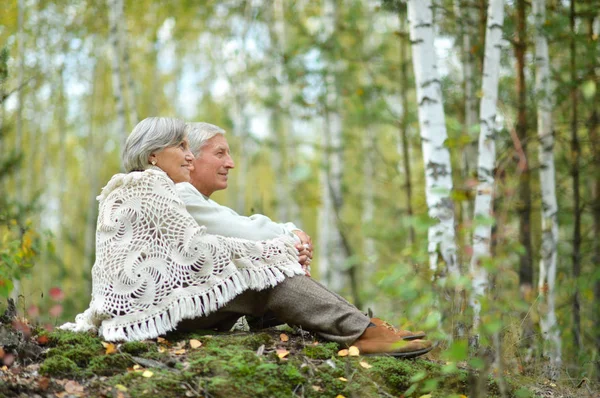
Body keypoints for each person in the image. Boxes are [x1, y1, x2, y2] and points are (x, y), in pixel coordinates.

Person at [175, 122, 433, 357]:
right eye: (220, 153)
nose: (230, 163)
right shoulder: (179, 194)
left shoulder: (197, 201)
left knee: (266, 268)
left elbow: (240, 235)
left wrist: (285, 244)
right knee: (269, 277)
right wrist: (291, 237)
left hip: (192, 304)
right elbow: (248, 232)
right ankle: (360, 331)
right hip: (181, 311)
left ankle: (363, 327)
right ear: (191, 159)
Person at [60, 117, 307, 342]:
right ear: (153, 155)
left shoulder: (128, 188)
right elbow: (196, 249)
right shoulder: (155, 186)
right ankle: (345, 326)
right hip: (145, 317)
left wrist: (272, 252)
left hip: (130, 314)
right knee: (271, 279)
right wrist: (282, 248)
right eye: (182, 147)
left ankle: (333, 324)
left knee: (261, 273)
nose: (190, 157)